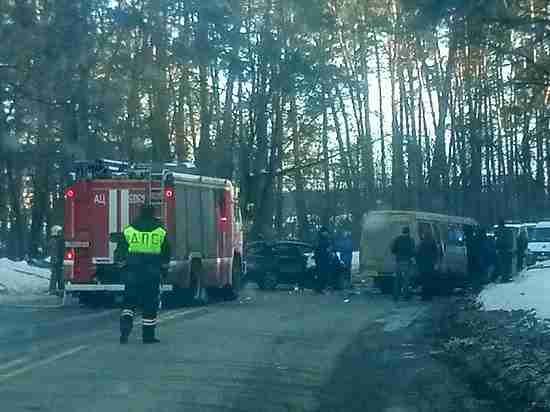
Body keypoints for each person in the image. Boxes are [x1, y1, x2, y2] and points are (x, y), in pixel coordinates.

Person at [117, 205, 171, 344]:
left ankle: (125, 329)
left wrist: (122, 266)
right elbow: (166, 253)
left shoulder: (129, 229)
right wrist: (164, 270)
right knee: (149, 304)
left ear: (140, 213)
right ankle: (148, 336)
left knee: (129, 302)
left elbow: (120, 251)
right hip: (152, 274)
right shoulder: (160, 231)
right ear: (153, 213)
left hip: (132, 273)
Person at [390, 227, 416, 301]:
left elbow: (393, 249)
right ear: (408, 232)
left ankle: (395, 296)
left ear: (402, 231)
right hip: (407, 261)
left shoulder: (397, 239)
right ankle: (405, 296)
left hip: (398, 261)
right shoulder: (411, 240)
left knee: (397, 279)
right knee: (406, 280)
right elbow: (413, 251)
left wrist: (397, 253)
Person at [416, 229, 440, 301]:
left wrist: (418, 263)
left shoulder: (422, 243)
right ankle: (430, 296)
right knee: (430, 281)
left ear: (424, 236)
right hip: (430, 265)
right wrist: (435, 262)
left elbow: (418, 254)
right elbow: (436, 253)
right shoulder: (433, 243)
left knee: (424, 281)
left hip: (423, 265)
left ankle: (424, 296)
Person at [314, 226, 333, 292]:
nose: (326, 233)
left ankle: (321, 288)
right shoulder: (321, 240)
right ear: (322, 232)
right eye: (325, 232)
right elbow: (319, 250)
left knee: (323, 274)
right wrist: (327, 251)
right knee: (321, 274)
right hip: (321, 260)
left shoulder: (325, 239)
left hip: (324, 260)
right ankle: (320, 288)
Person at [48, 225, 64, 295]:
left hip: (56, 260)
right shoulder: (55, 241)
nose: (61, 233)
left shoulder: (55, 240)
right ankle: (53, 289)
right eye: (59, 232)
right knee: (55, 275)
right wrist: (57, 260)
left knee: (58, 275)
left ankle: (57, 289)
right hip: (56, 261)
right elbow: (55, 251)